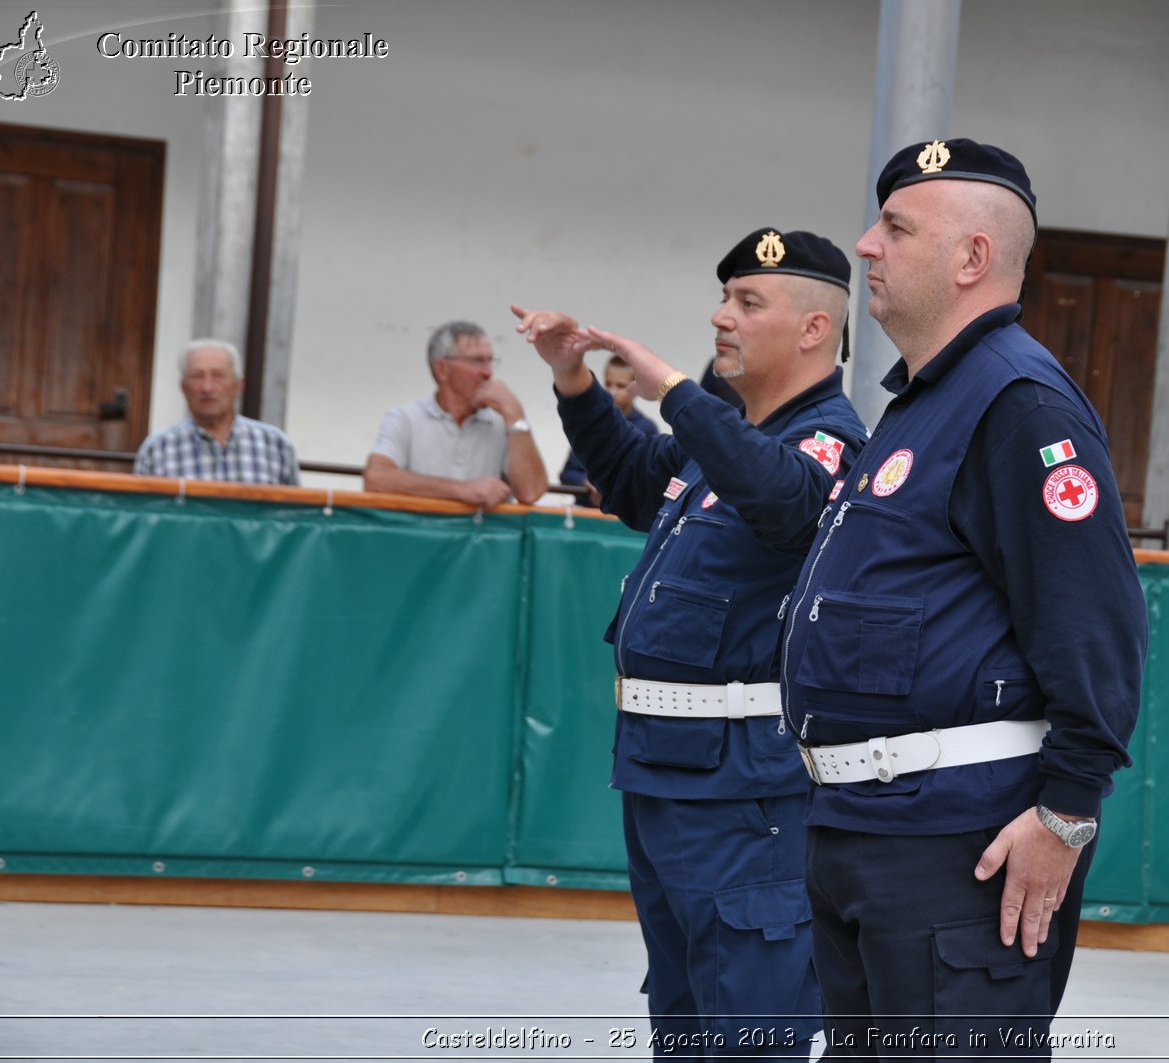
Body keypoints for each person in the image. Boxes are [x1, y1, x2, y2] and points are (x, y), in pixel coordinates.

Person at [777, 139, 1147, 1057]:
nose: (866, 243)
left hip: (957, 844)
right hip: (860, 827)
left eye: (896, 227)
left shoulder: (1020, 406)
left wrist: (1067, 812)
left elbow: (1096, 621)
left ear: (972, 258)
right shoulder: (923, 403)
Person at [511, 227, 868, 1060]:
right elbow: (637, 481)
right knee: (681, 1013)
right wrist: (574, 379)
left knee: (753, 1019)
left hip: (744, 789)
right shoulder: (726, 435)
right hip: (663, 768)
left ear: (814, 328)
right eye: (723, 298)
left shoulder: (825, 439)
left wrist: (675, 391)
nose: (720, 318)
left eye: (747, 303)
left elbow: (785, 502)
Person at [364, 320, 547, 506]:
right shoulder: (404, 418)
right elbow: (376, 478)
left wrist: (515, 414)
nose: (488, 373)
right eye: (477, 361)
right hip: (422, 532)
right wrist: (462, 490)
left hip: (482, 534)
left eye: (490, 361)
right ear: (442, 369)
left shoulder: (506, 421)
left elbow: (531, 493)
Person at [134, 339, 299, 485]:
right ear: (183, 387)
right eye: (197, 376)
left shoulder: (275, 445)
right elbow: (142, 515)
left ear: (239, 386)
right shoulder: (158, 449)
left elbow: (293, 514)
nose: (207, 387)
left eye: (218, 376)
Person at [559, 354, 659, 505]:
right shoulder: (590, 423)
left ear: (636, 387)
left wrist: (611, 488)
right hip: (587, 512)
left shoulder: (647, 428)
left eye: (620, 386)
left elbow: (649, 479)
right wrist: (586, 482)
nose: (612, 392)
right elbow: (568, 473)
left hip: (625, 520)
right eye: (608, 384)